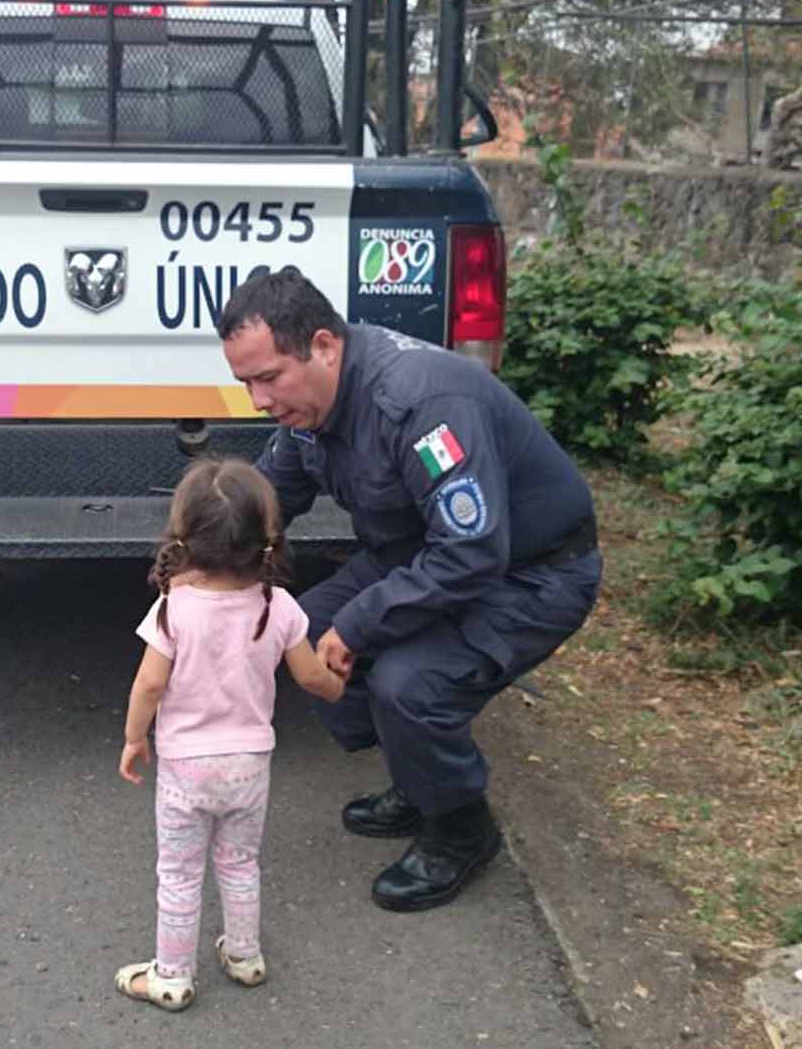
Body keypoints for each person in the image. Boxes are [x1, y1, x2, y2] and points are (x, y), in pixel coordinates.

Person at [217, 267, 601, 913]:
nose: (257, 400)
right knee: (301, 628)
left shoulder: (421, 404)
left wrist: (361, 624)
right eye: (244, 382)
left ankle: (460, 828)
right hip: (421, 555)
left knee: (408, 682)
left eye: (268, 377)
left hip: (532, 571)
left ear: (324, 345)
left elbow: (473, 551)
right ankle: (419, 775)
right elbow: (269, 495)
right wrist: (203, 570)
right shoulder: (311, 402)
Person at [113, 457, 347, 1013]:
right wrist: (339, 689)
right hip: (249, 766)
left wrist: (133, 738)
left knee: (179, 872)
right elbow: (311, 675)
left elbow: (148, 686)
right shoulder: (279, 606)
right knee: (240, 863)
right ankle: (244, 956)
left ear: (184, 537)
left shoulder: (174, 609)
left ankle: (171, 975)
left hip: (186, 770)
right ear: (266, 539)